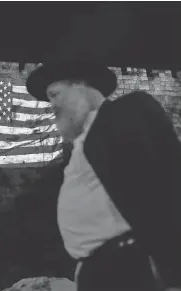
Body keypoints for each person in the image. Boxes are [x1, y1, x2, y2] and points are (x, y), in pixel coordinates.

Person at [26, 58, 181, 291]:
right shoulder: (82, 145)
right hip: (97, 272)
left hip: (128, 266)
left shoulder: (127, 111)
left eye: (55, 94)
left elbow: (166, 180)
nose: (52, 104)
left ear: (80, 86)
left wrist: (168, 265)